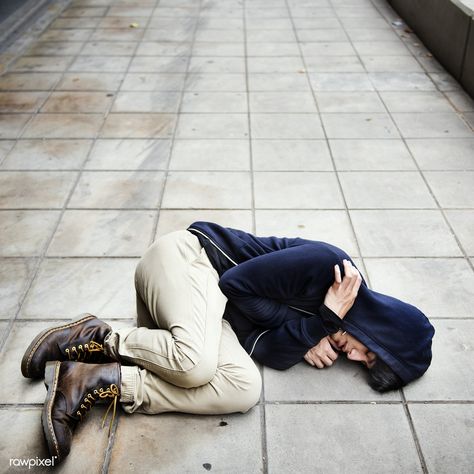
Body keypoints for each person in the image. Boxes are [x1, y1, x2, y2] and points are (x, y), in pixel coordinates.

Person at [21, 221, 434, 463]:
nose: (355, 356)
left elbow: (265, 351)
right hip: (186, 260)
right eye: (369, 350)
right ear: (382, 328)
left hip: (204, 314)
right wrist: (314, 323)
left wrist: (310, 331)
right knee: (195, 365)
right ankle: (97, 336)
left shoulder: (329, 326)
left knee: (243, 389)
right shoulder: (330, 266)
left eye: (363, 363)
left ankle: (92, 380)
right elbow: (234, 284)